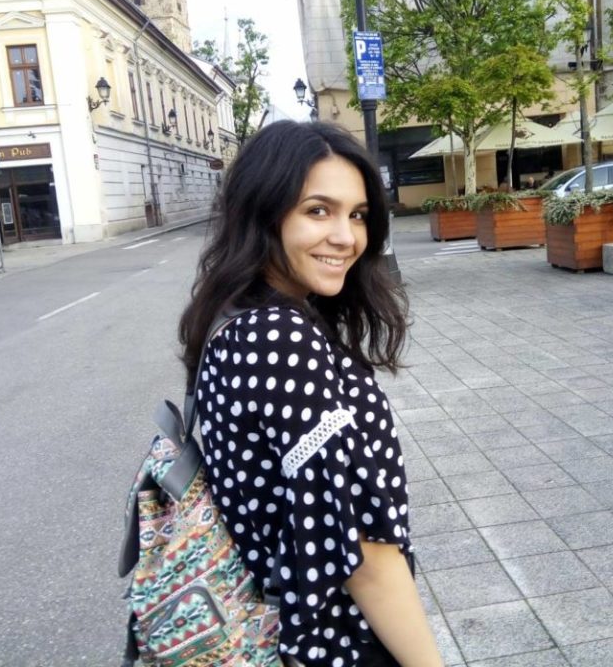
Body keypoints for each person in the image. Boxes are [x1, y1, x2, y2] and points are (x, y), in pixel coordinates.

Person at [178, 120, 444, 667]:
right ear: (265, 213)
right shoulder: (278, 337)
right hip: (337, 642)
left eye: (358, 215)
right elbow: (364, 553)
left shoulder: (239, 316)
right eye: (318, 210)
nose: (346, 237)